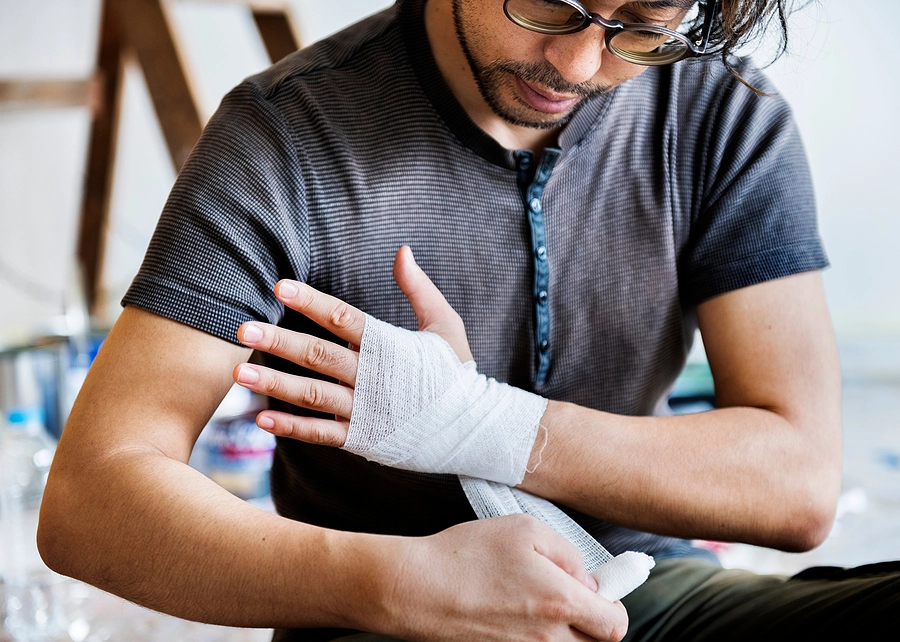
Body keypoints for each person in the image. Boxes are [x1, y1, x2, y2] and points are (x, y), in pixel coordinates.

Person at [37, 0, 900, 640]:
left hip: (644, 587)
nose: (579, 61)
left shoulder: (721, 115)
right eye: (548, 2)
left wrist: (480, 427)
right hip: (381, 613)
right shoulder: (283, 139)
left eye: (640, 24)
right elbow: (91, 497)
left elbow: (797, 483)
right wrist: (395, 582)